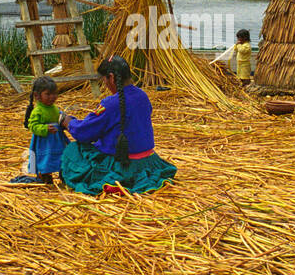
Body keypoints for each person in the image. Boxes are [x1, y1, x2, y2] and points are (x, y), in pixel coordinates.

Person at [58, 56, 177, 194]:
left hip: (124, 165)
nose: (106, 85)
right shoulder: (142, 96)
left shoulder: (110, 104)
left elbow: (84, 132)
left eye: (105, 80)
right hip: (148, 161)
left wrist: (68, 121)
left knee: (74, 149)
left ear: (112, 78)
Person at [10, 76, 66, 184]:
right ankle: (45, 177)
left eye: (54, 93)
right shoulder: (38, 111)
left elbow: (59, 118)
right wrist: (44, 128)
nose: (52, 97)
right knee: (45, 160)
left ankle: (64, 176)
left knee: (62, 157)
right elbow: (32, 125)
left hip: (57, 140)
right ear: (37, 96)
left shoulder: (54, 108)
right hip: (44, 142)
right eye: (48, 94)